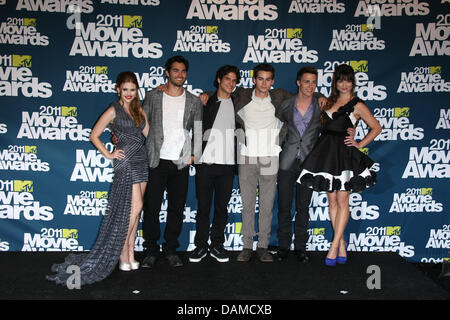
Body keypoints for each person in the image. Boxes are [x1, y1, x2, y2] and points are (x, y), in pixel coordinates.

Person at [46, 71, 149, 285]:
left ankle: (130, 253)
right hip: (125, 161)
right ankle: (121, 251)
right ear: (117, 89)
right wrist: (109, 153)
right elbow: (94, 135)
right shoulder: (113, 110)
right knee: (135, 207)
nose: (129, 93)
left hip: (141, 160)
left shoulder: (139, 109)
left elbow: (149, 133)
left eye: (132, 89)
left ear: (136, 90)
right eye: (125, 89)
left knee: (135, 213)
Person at [297, 64, 382, 266]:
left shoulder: (358, 105)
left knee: (343, 200)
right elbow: (312, 98)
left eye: (348, 80)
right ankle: (342, 242)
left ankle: (334, 246)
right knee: (332, 200)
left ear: (353, 82)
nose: (344, 84)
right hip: (326, 155)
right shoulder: (328, 101)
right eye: (340, 80)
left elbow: (376, 127)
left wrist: (359, 143)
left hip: (344, 156)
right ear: (336, 82)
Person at [141, 55, 202, 268]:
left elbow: (199, 130)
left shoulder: (194, 100)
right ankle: (150, 249)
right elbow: (141, 120)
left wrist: (194, 154)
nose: (180, 75)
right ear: (167, 72)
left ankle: (170, 249)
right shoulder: (153, 96)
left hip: (180, 162)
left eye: (183, 71)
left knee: (176, 208)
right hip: (156, 160)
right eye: (175, 70)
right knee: (152, 207)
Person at [233, 63, 294, 263]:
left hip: (270, 157)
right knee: (248, 205)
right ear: (254, 80)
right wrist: (205, 95)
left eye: (268, 79)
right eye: (260, 78)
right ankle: (247, 247)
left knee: (267, 206)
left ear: (273, 81)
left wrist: (321, 97)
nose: (264, 83)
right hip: (247, 156)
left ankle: (263, 247)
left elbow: (305, 94)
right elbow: (221, 91)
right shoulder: (242, 95)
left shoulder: (280, 96)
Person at [189, 65, 241, 263]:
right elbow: (196, 127)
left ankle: (217, 245)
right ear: (219, 79)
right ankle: (200, 246)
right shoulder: (206, 101)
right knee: (203, 207)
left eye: (234, 80)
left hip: (227, 165)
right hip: (205, 163)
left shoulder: (239, 102)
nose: (231, 83)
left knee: (222, 208)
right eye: (227, 79)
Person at [277, 66, 328, 263]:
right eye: (306, 81)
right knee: (283, 207)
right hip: (286, 162)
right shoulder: (286, 104)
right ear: (298, 82)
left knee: (303, 208)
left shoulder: (321, 104)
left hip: (309, 163)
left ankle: (300, 247)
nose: (310, 85)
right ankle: (283, 247)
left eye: (314, 82)